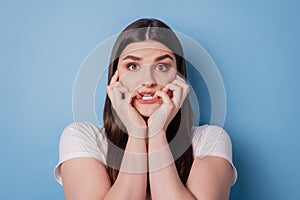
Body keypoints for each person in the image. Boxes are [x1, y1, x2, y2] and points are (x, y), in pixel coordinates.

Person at [54, 18, 237, 200]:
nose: (148, 80)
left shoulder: (210, 140)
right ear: (115, 78)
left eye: (162, 66)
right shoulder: (82, 138)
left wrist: (157, 133)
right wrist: (136, 134)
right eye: (133, 66)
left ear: (179, 78)